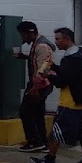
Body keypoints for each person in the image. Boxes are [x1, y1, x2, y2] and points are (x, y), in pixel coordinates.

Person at [31, 27, 82, 163]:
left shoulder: (70, 59)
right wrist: (54, 67)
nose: (56, 42)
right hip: (81, 102)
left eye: (58, 39)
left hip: (69, 102)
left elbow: (62, 82)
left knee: (57, 131)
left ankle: (50, 159)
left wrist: (47, 74)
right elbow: (69, 75)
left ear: (67, 39)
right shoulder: (81, 55)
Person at [14, 21, 55, 152]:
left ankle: (34, 141)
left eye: (23, 35)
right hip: (41, 84)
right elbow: (40, 61)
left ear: (29, 33)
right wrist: (26, 57)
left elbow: (46, 66)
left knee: (25, 111)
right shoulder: (37, 44)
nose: (22, 38)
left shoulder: (41, 46)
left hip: (40, 84)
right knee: (37, 113)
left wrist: (36, 87)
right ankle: (42, 142)